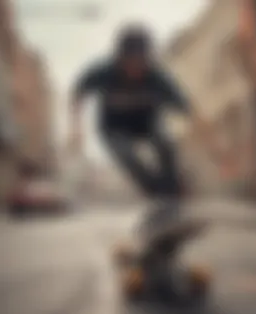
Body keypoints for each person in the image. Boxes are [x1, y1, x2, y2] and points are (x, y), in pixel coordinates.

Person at [68, 25, 214, 203]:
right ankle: (157, 193)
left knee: (166, 145)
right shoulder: (103, 72)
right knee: (127, 155)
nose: (136, 69)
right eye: (130, 63)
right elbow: (78, 94)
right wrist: (75, 128)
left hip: (147, 125)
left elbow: (188, 110)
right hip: (113, 128)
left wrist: (213, 144)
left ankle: (174, 189)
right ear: (120, 59)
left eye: (141, 63)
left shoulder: (157, 77)